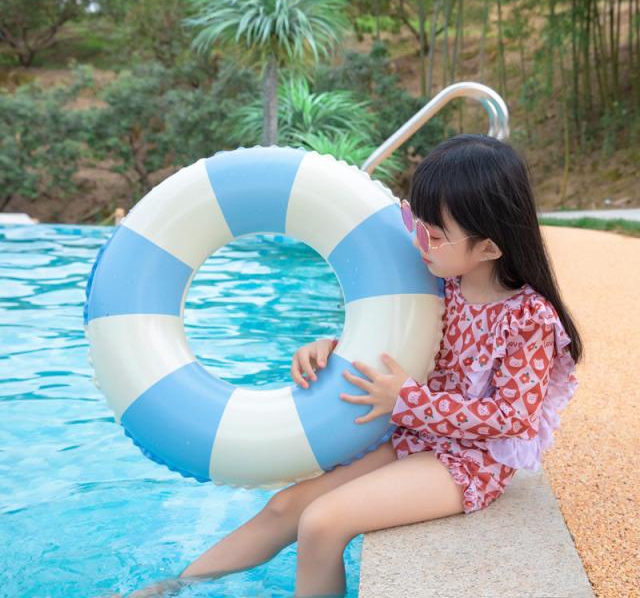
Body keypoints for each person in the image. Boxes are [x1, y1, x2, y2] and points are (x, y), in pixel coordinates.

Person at [118, 134, 582, 598]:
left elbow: (513, 418)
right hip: (415, 437)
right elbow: (404, 343)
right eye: (412, 220)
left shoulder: (528, 318)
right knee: (286, 506)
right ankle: (171, 587)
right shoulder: (443, 284)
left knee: (322, 522)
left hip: (469, 461)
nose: (415, 239)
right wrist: (331, 348)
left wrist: (410, 401)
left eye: (432, 235)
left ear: (489, 249)